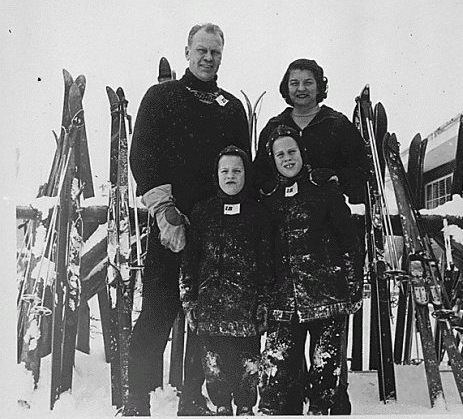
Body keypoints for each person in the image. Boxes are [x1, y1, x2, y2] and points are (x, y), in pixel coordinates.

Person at [127, 23, 251, 416]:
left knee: (206, 316)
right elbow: (142, 156)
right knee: (158, 311)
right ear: (187, 51)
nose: (207, 58)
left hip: (214, 230)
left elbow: (239, 163)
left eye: (214, 52)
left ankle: (194, 399)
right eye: (201, 50)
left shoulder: (231, 108)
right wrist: (163, 210)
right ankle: (136, 401)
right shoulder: (162, 97)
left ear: (221, 56)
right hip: (171, 222)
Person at [253, 58, 369, 414]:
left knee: (327, 368)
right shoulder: (275, 126)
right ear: (285, 87)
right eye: (294, 82)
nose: (300, 89)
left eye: (308, 82)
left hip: (324, 256)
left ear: (320, 85)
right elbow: (260, 173)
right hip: (285, 256)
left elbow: (359, 171)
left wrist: (333, 180)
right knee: (281, 369)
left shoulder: (336, 125)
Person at [180, 145, 274, 416]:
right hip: (210, 313)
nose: (231, 176)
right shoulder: (202, 213)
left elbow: (267, 265)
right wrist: (190, 302)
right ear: (216, 175)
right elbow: (190, 263)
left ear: (246, 174)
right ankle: (221, 408)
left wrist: (263, 302)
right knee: (214, 369)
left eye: (237, 170)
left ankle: (245, 409)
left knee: (247, 369)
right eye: (225, 171)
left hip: (246, 314)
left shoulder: (259, 215)